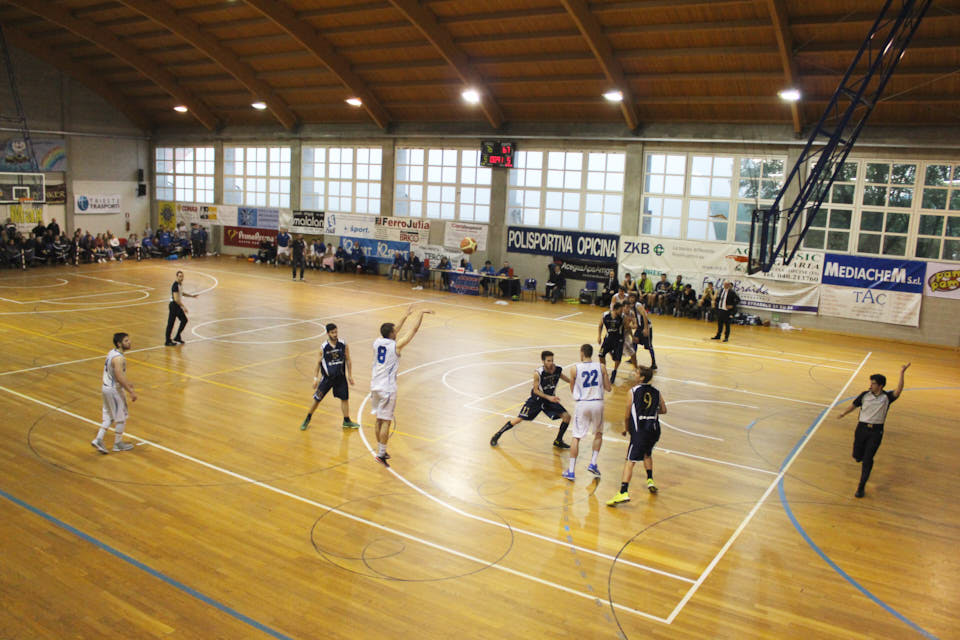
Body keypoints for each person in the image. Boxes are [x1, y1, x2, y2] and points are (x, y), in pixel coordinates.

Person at [370, 306, 434, 466]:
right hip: (387, 388)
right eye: (395, 331)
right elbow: (413, 330)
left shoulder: (377, 342)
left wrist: (405, 316)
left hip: (374, 385)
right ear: (392, 334)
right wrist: (420, 314)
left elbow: (394, 330)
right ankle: (381, 454)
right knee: (386, 421)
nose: (396, 332)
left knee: (378, 419)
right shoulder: (396, 346)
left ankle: (380, 450)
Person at [837, 364, 910, 498]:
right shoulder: (864, 395)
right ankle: (860, 457)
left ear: (880, 386)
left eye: (874, 383)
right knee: (857, 456)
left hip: (876, 432)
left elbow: (899, 390)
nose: (871, 385)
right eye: (871, 383)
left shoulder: (887, 397)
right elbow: (854, 405)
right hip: (861, 429)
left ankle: (861, 487)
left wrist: (902, 373)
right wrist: (843, 413)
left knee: (868, 459)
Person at [489, 350, 572, 449]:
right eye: (548, 361)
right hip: (536, 400)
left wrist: (574, 382)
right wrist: (549, 397)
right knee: (518, 419)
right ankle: (497, 435)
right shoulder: (538, 373)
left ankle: (558, 441)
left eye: (552, 360)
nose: (551, 363)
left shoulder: (557, 370)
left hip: (549, 401)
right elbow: (536, 391)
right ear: (543, 361)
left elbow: (565, 378)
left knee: (567, 417)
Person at [607, 366, 666, 505]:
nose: (634, 374)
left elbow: (627, 415)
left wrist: (626, 429)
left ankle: (623, 492)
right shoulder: (657, 392)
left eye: (637, 373)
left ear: (642, 377)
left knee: (630, 461)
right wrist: (651, 411)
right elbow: (663, 410)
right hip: (654, 430)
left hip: (640, 431)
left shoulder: (632, 392)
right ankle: (650, 480)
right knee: (647, 453)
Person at [562, 343, 612, 481]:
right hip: (597, 403)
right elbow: (608, 388)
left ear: (582, 353)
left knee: (576, 437)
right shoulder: (601, 367)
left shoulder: (574, 369)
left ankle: (571, 471)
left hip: (583, 403)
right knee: (598, 434)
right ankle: (593, 463)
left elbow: (573, 389)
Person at [300, 323, 360, 431]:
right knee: (317, 399)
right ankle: (307, 418)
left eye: (336, 332)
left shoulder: (343, 344)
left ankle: (346, 420)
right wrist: (315, 378)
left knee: (344, 398)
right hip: (327, 379)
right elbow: (318, 363)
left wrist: (350, 375)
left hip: (340, 378)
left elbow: (348, 360)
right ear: (328, 333)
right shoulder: (323, 347)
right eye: (332, 332)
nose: (335, 334)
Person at [91, 332, 138, 454]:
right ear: (119, 343)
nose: (129, 342)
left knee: (109, 416)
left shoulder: (112, 352)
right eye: (126, 341)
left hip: (106, 388)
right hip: (113, 390)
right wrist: (130, 391)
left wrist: (128, 383)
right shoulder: (119, 358)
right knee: (121, 416)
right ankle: (118, 443)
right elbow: (119, 376)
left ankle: (98, 439)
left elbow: (116, 374)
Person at [165, 270, 198, 346]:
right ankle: (167, 341)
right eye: (180, 276)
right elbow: (176, 299)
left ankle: (177, 337)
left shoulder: (180, 284)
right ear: (177, 277)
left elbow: (181, 293)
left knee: (184, 320)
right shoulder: (175, 285)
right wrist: (183, 307)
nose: (181, 278)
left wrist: (192, 296)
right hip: (174, 306)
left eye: (182, 276)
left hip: (176, 306)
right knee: (171, 323)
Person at [598, 302, 625, 384]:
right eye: (620, 310)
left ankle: (614, 371)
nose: (622, 312)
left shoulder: (622, 317)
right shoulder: (605, 315)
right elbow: (600, 325)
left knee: (618, 358)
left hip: (618, 340)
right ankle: (604, 371)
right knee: (601, 354)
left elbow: (627, 327)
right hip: (608, 338)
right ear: (615, 309)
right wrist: (599, 336)